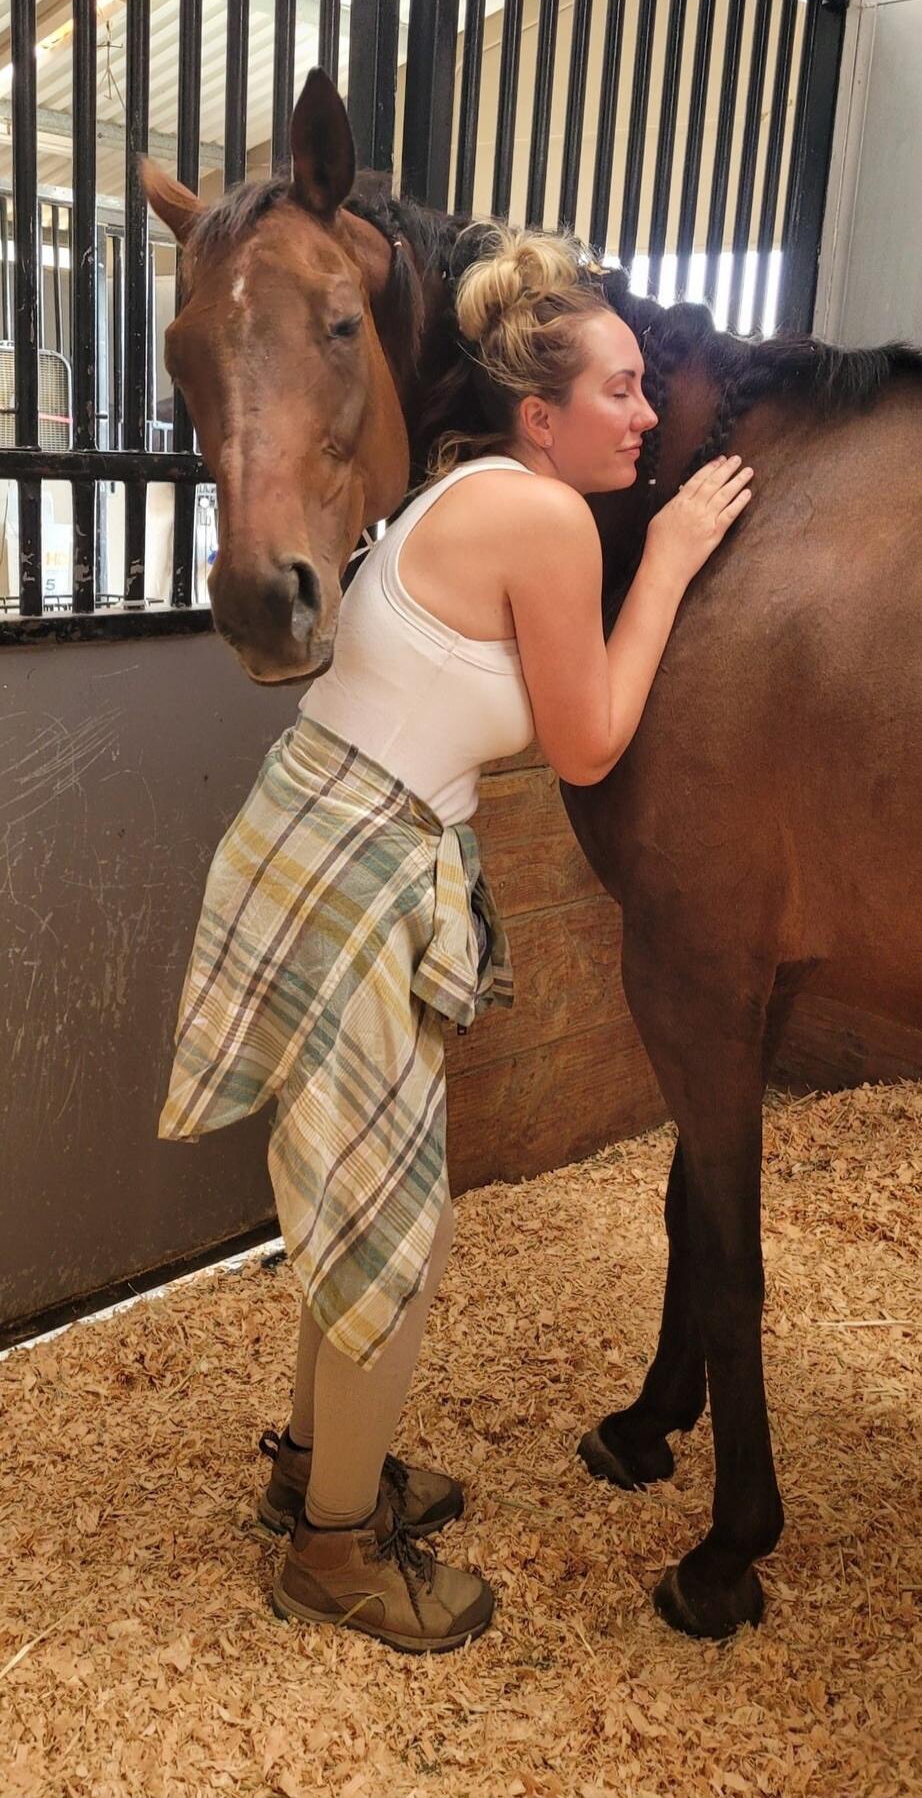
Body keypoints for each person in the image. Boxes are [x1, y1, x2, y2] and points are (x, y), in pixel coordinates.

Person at [158, 228, 753, 1654]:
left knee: (367, 1200)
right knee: (394, 1236)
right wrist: (666, 555)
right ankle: (331, 1554)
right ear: (539, 413)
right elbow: (591, 740)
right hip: (355, 861)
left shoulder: (467, 488)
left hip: (333, 836)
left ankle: (322, 1470)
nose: (645, 412)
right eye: (617, 389)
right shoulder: (542, 519)